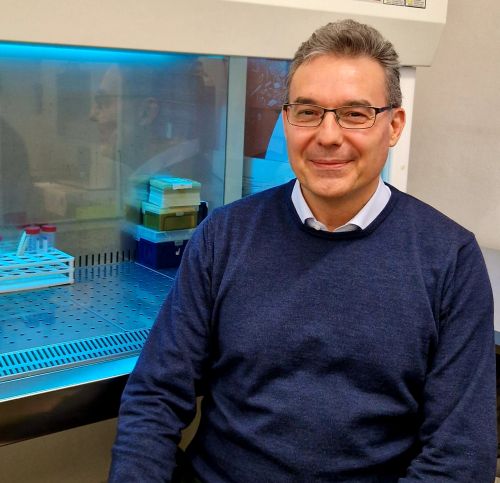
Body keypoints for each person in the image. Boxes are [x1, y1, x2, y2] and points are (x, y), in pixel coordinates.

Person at [109, 19, 497, 482]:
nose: (328, 136)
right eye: (308, 112)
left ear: (393, 126)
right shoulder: (224, 236)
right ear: (287, 120)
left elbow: (459, 457)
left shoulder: (449, 259)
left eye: (355, 114)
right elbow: (154, 399)